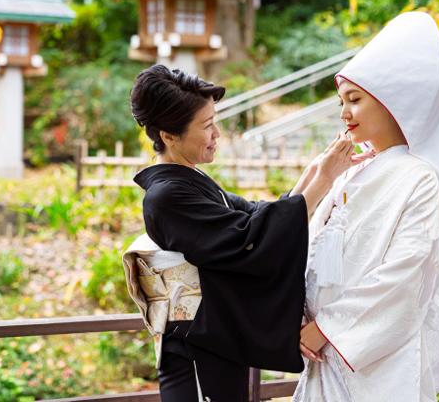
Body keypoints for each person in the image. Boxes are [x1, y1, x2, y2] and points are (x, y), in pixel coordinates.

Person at [122, 65, 361, 401]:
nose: (217, 134)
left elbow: (259, 218)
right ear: (168, 135)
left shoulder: (190, 183)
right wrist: (323, 178)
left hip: (218, 344)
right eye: (207, 126)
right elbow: (250, 240)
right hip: (195, 354)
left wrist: (318, 171)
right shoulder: (166, 197)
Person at [293, 11, 439, 401]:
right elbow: (305, 247)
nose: (344, 114)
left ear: (393, 101)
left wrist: (327, 328)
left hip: (373, 362)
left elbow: (403, 274)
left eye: (355, 100)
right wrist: (302, 320)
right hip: (322, 353)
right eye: (341, 102)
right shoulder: (346, 173)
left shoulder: (420, 179)